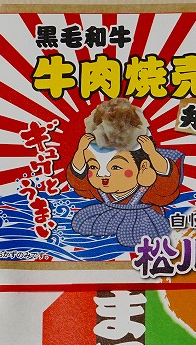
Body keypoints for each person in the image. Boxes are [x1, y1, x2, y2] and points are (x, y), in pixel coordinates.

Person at [65, 98, 182, 249]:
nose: (103, 175)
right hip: (109, 211)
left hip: (143, 217)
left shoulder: (148, 188)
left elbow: (167, 190)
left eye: (115, 167)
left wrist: (152, 155)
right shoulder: (98, 188)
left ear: (143, 166)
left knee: (136, 237)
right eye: (93, 167)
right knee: (81, 223)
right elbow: (79, 183)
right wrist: (80, 152)